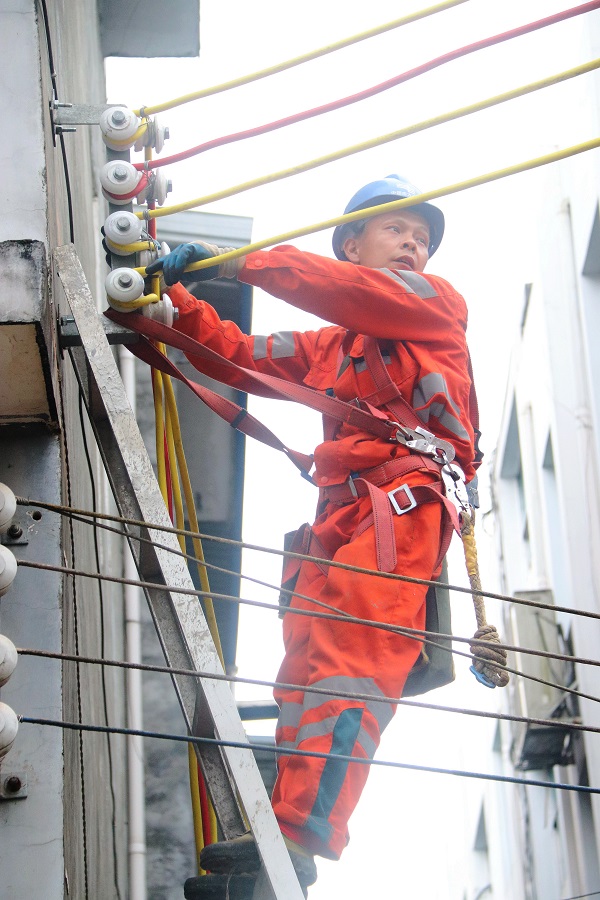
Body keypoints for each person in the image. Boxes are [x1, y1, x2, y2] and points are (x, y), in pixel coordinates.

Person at [146, 175, 481, 896]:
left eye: (422, 235)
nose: (415, 243)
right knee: (301, 666)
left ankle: (300, 832)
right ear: (351, 242)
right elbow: (235, 352)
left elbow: (336, 289)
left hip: (404, 503)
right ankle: (280, 827)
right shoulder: (333, 344)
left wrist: (240, 263)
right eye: (397, 230)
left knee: (351, 657)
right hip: (344, 507)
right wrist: (171, 302)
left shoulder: (434, 305)